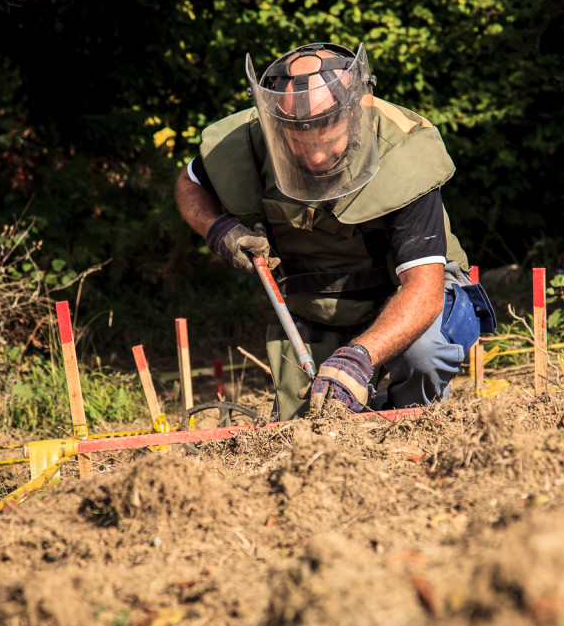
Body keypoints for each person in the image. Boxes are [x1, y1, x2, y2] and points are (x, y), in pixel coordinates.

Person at [176, 42, 495, 420]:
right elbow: (190, 181)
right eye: (297, 144)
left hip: (407, 297)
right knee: (306, 428)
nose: (313, 158)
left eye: (326, 143)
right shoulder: (249, 139)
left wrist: (360, 356)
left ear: (354, 113)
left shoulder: (403, 152)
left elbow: (423, 291)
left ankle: (411, 420)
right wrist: (219, 230)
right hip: (317, 307)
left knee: (422, 355)